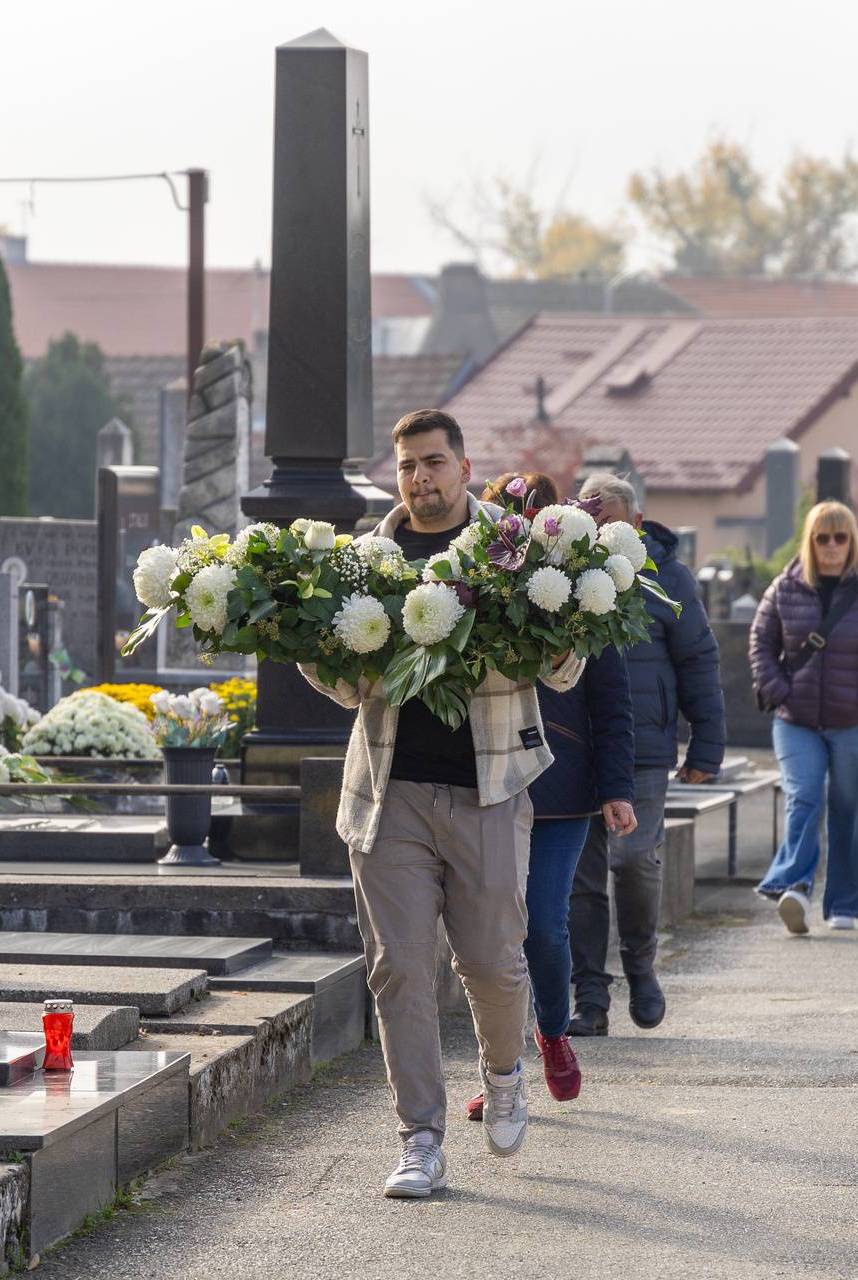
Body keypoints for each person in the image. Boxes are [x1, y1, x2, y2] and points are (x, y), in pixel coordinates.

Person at [299, 409, 585, 1200]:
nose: (419, 478)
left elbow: (563, 670)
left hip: (489, 787)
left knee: (494, 964)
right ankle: (420, 1138)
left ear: (464, 466)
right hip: (388, 792)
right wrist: (320, 652)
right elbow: (343, 683)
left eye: (433, 462)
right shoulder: (367, 563)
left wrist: (563, 636)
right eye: (407, 467)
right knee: (399, 969)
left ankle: (504, 1071)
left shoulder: (517, 550)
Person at [459, 473, 636, 1123]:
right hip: (492, 780)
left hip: (562, 789)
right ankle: (500, 1071)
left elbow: (614, 707)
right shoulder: (477, 587)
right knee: (490, 937)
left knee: (543, 923)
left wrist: (617, 790)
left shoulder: (586, 601)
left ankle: (553, 1033)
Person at [567, 472, 724, 1037]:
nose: (601, 530)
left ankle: (640, 967)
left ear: (634, 523)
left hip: (646, 746)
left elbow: (699, 661)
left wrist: (707, 743)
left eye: (610, 520)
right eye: (593, 519)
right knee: (580, 878)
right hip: (577, 745)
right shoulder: (562, 571)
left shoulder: (669, 579)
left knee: (633, 862)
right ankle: (589, 996)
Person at [749, 500, 858, 933]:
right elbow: (761, 642)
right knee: (805, 796)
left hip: (855, 721)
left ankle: (845, 904)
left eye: (840, 537)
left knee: (853, 812)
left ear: (851, 542)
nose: (832, 545)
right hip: (796, 721)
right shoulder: (785, 587)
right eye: (823, 537)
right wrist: (781, 689)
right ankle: (794, 886)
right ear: (811, 542)